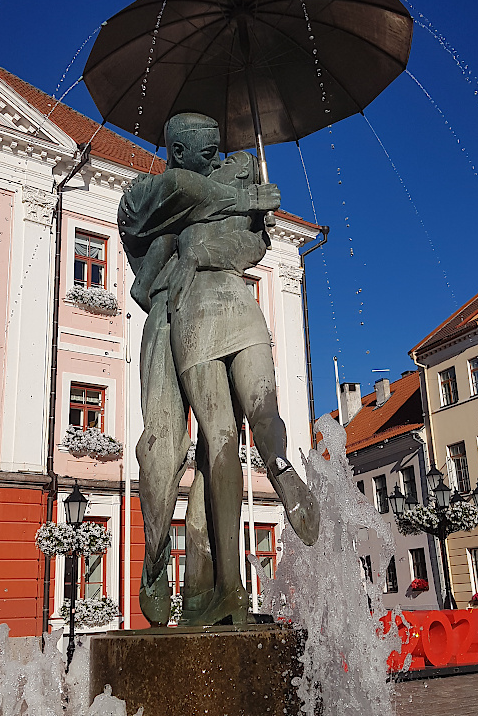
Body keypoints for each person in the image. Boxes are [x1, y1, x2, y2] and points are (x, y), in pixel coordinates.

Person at [119, 112, 319, 627]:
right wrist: (244, 197)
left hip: (207, 309)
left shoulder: (227, 180)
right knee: (164, 444)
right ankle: (158, 554)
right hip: (167, 320)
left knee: (216, 448)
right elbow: (165, 202)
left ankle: (207, 586)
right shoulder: (151, 190)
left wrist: (251, 217)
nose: (215, 156)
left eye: (217, 148)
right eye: (205, 150)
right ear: (179, 151)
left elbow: (250, 245)